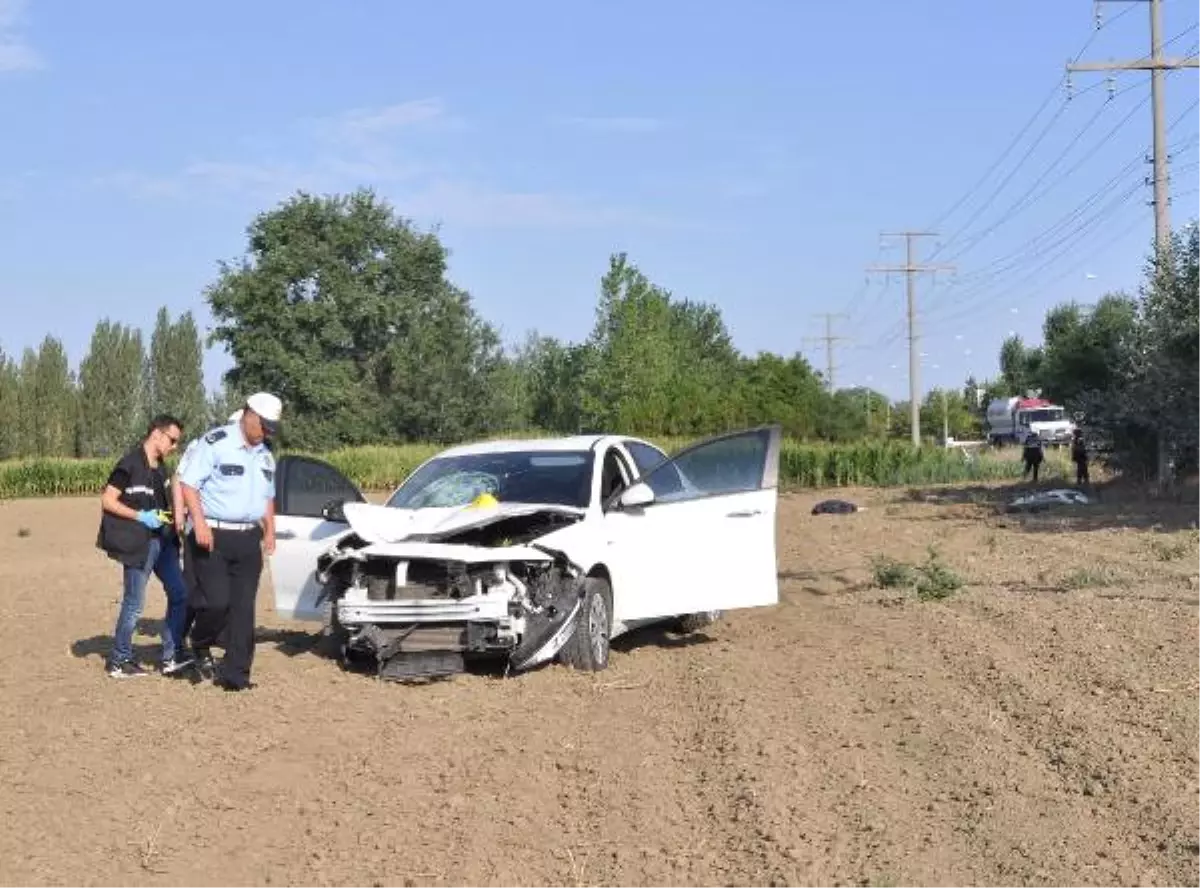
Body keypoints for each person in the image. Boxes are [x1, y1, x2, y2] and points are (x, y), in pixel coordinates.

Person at [179, 393, 281, 691]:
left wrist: (270, 530)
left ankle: (236, 675)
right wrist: (197, 522)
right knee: (216, 601)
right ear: (250, 415)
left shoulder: (265, 455)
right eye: (264, 426)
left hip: (249, 536)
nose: (267, 433)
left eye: (271, 428)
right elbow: (188, 484)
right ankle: (200, 640)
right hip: (213, 534)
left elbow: (267, 497)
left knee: (243, 609)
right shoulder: (216, 443)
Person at [96, 414, 193, 678]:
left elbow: (167, 495)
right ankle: (120, 660)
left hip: (163, 541)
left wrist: (173, 517)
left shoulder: (161, 467)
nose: (174, 446)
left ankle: (170, 656)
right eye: (172, 440)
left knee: (180, 593)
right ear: (157, 434)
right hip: (139, 543)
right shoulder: (128, 464)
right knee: (135, 603)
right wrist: (141, 516)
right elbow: (108, 500)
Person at [172, 408, 243, 650]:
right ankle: (179, 637)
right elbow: (181, 479)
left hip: (232, 533)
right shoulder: (203, 445)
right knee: (195, 587)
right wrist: (181, 517)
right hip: (201, 528)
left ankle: (219, 637)